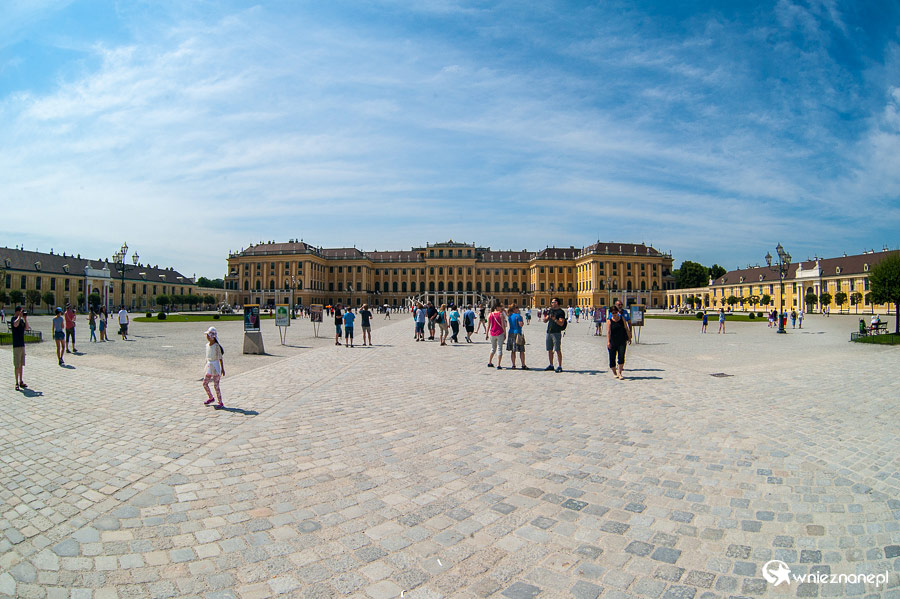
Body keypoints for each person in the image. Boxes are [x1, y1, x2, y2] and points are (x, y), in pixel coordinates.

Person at [202, 327, 225, 408]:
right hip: (209, 366)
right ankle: (211, 397)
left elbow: (220, 357)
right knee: (205, 383)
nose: (207, 337)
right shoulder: (207, 345)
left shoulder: (216, 346)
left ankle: (220, 402)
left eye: (208, 335)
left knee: (216, 385)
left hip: (215, 367)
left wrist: (222, 368)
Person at [607, 305, 632, 380]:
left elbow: (626, 328)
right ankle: (615, 373)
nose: (614, 314)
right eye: (613, 313)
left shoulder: (622, 319)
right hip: (613, 341)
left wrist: (629, 337)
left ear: (618, 312)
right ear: (611, 313)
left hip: (622, 340)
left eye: (616, 312)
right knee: (612, 358)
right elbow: (608, 332)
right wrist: (608, 342)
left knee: (621, 356)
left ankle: (620, 373)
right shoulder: (609, 321)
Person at [542, 297, 566, 372]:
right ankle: (551, 365)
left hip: (556, 332)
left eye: (553, 302)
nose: (551, 304)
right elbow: (545, 320)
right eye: (551, 302)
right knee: (549, 349)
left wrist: (555, 319)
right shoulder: (551, 311)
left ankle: (560, 366)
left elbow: (561, 323)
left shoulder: (561, 312)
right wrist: (546, 317)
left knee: (557, 349)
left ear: (557, 303)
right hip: (549, 331)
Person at [487, 301, 507, 369]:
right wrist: (505, 333)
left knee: (493, 348)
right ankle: (498, 365)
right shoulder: (500, 315)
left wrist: (486, 334)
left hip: (492, 333)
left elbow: (488, 325)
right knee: (499, 348)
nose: (501, 308)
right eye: (500, 307)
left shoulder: (490, 314)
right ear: (497, 307)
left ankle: (489, 362)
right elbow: (503, 325)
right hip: (500, 333)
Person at [12, 306, 28, 390]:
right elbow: (15, 324)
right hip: (16, 345)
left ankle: (21, 380)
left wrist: (25, 319)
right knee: (17, 365)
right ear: (17, 311)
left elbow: (27, 328)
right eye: (21, 311)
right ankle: (16, 382)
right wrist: (19, 317)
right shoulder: (14, 319)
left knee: (21, 364)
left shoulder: (21, 320)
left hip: (22, 344)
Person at [507, 304, 527, 369]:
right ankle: (523, 364)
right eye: (517, 308)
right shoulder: (518, 316)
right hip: (518, 333)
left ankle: (513, 365)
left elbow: (510, 324)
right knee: (521, 350)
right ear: (514, 309)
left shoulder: (509, 316)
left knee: (513, 351)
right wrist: (522, 321)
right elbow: (521, 324)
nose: (518, 309)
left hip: (511, 333)